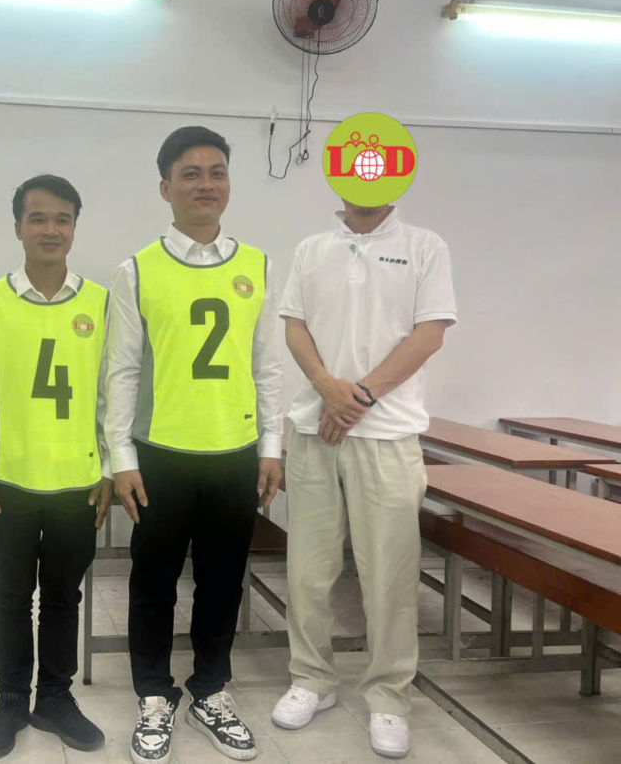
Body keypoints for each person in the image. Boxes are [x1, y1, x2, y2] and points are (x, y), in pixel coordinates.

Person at [105, 126, 285, 763]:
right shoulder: (137, 270)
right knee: (153, 582)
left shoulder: (257, 265)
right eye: (191, 173)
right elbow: (122, 371)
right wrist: (121, 457)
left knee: (223, 581)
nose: (206, 184)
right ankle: (154, 695)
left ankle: (211, 688)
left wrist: (271, 446)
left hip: (235, 453)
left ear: (228, 183)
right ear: (166, 188)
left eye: (217, 172)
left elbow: (267, 365)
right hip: (160, 455)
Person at [272, 198, 456, 759]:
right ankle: (311, 679)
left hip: (388, 435)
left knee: (390, 575)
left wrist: (360, 397)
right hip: (314, 430)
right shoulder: (312, 249)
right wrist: (328, 388)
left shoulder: (424, 246)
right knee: (309, 569)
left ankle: (388, 697)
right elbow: (295, 327)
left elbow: (430, 334)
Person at [0, 174, 113, 758]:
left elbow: (113, 394)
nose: (50, 229)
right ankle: (10, 701)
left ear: (75, 227)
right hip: (7, 481)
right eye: (38, 218)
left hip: (79, 483)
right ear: (17, 228)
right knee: (10, 595)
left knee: (63, 597)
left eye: (62, 219)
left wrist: (110, 468)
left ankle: (55, 696)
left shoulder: (101, 302)